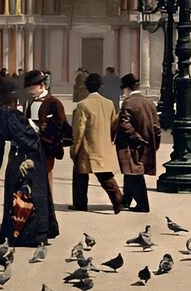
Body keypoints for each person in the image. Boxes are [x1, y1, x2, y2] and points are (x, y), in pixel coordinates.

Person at [0, 84, 58, 247]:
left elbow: (30, 138)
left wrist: (29, 159)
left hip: (31, 156)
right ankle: (15, 233)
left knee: (32, 193)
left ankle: (37, 235)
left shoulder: (11, 116)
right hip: (16, 156)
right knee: (13, 192)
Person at [70, 73, 123, 213]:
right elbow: (114, 125)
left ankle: (80, 203)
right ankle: (118, 200)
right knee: (105, 175)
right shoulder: (109, 103)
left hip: (87, 147)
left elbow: (78, 130)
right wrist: (108, 139)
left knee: (80, 176)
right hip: (103, 145)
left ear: (86, 87)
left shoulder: (83, 105)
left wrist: (74, 149)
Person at [116, 74, 161, 213]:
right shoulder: (148, 102)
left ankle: (142, 204)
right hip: (147, 143)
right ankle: (126, 200)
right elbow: (156, 127)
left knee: (134, 173)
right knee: (130, 172)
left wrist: (136, 139)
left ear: (127, 89)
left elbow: (125, 124)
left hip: (132, 145)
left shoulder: (128, 103)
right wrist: (155, 144)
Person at [23, 69, 70, 190]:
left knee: (45, 174)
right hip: (32, 144)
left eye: (32, 88)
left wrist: (45, 129)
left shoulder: (53, 102)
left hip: (47, 145)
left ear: (41, 86)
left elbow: (61, 123)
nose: (29, 91)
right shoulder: (31, 102)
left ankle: (47, 202)